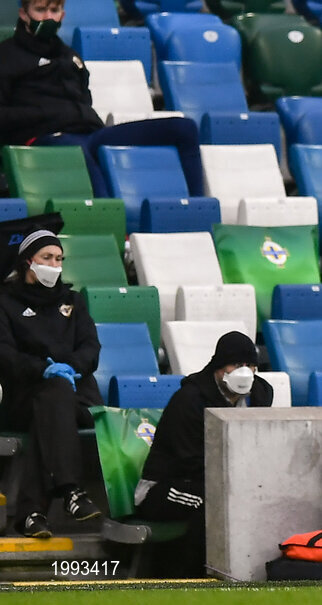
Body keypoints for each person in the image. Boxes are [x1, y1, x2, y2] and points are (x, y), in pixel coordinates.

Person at [0, 0, 205, 197]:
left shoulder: (71, 57)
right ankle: (114, 225)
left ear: (62, 15)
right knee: (80, 152)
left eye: (54, 10)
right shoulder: (6, 55)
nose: (48, 17)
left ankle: (198, 212)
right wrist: (44, 114)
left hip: (90, 134)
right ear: (23, 14)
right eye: (40, 9)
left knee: (183, 128)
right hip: (45, 137)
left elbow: (84, 100)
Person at [135, 331, 273, 578]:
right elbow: (188, 461)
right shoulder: (189, 400)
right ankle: (191, 578)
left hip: (222, 483)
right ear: (220, 367)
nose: (245, 372)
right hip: (166, 487)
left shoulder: (260, 395)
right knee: (212, 504)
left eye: (250, 365)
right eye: (236, 365)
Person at [0, 229, 103, 538]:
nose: (54, 265)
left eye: (59, 259)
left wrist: (69, 368)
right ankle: (71, 490)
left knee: (49, 411)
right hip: (23, 393)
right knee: (50, 400)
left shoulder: (73, 301)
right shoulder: (5, 302)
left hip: (76, 394)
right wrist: (41, 369)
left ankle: (32, 512)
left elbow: (91, 349)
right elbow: (3, 353)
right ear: (28, 262)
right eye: (47, 258)